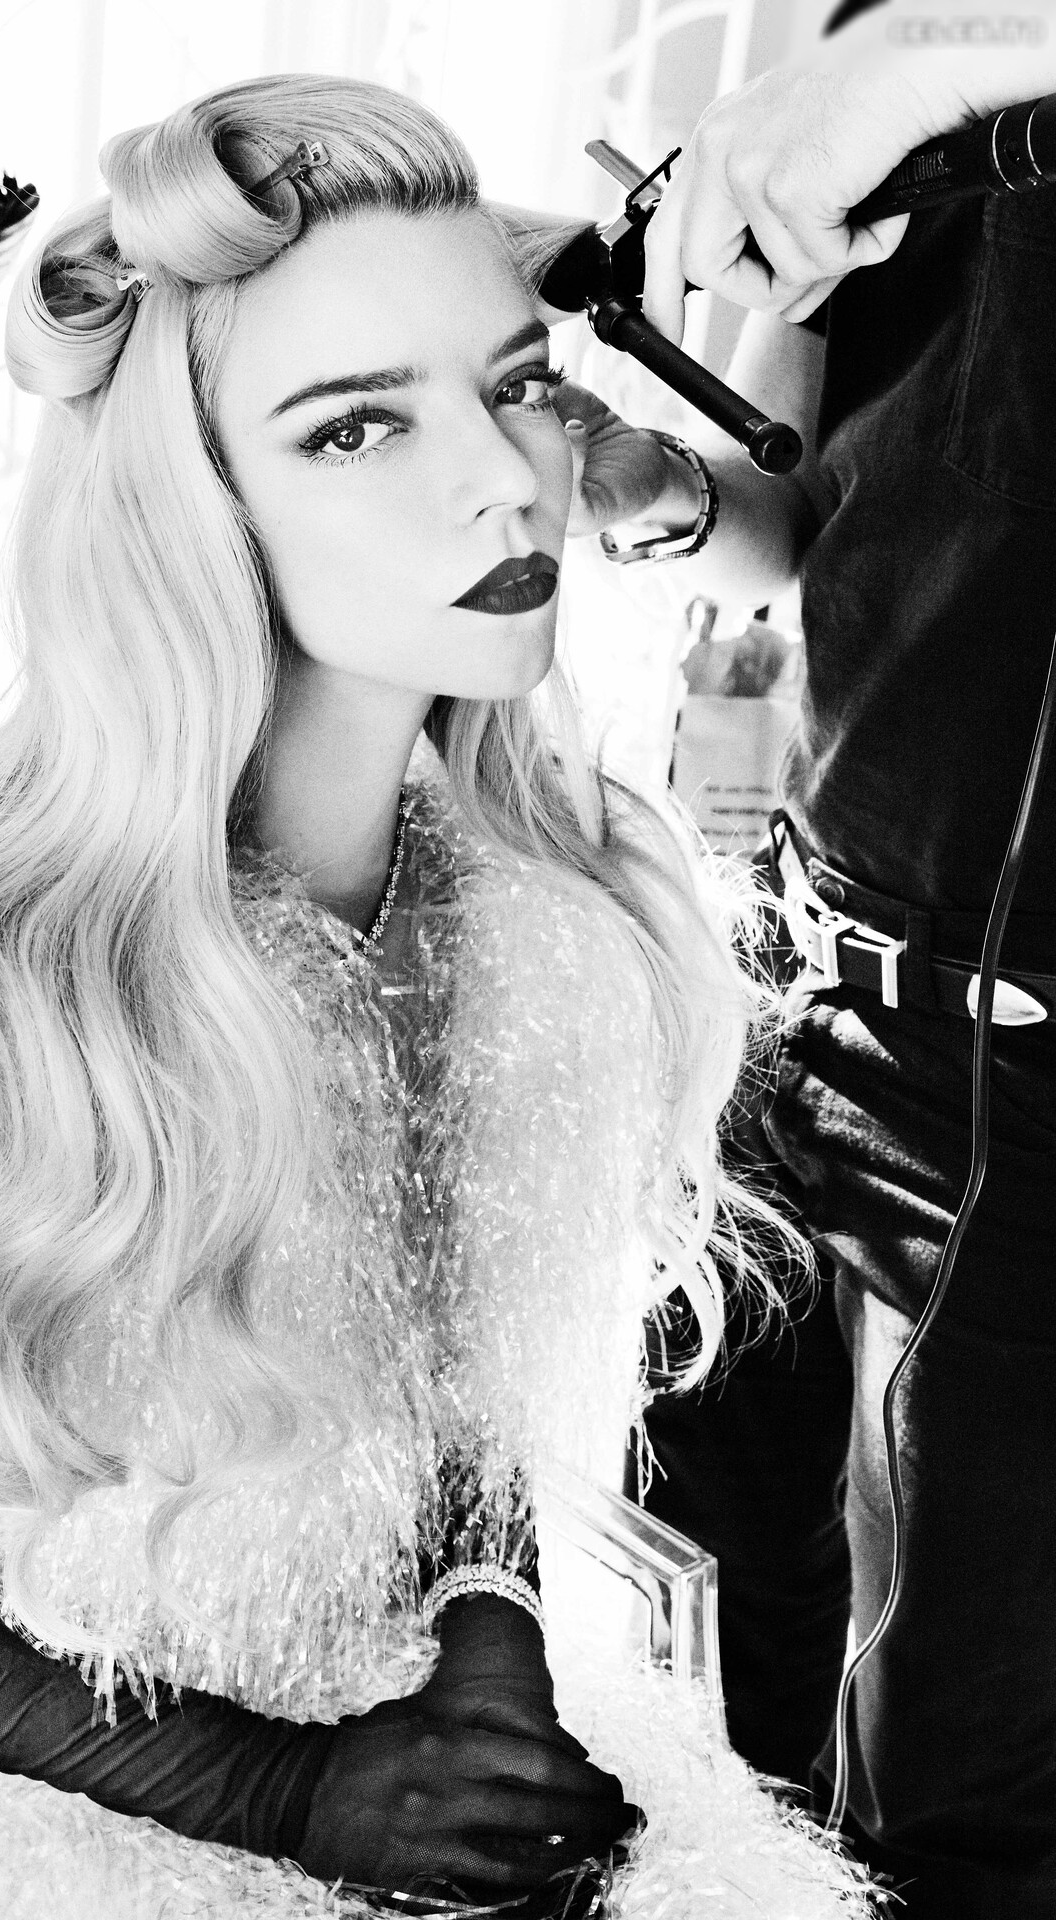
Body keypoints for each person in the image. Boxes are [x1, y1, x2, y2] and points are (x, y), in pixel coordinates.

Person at [0, 73, 875, 1920]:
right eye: (354, 426)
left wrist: (489, 1646)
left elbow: (459, 1396)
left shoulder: (530, 925)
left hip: (384, 1708)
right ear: (188, 505)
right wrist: (286, 1794)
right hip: (42, 1782)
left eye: (519, 384)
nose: (502, 475)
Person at [582, 2, 1056, 1913]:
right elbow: (821, 521)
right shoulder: (870, 31)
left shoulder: (930, 48)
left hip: (1028, 1074)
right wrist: (666, 499)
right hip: (806, 979)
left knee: (956, 1802)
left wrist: (947, 63)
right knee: (698, 1681)